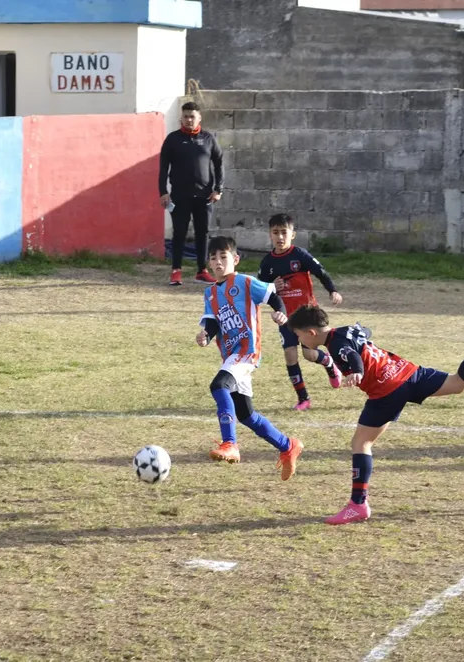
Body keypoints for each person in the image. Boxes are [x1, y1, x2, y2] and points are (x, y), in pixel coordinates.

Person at [287, 305, 464, 525]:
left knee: (361, 442)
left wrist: (357, 372)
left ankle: (358, 504)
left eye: (299, 335)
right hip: (407, 371)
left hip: (387, 389)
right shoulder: (346, 330)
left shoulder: (337, 346)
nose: (298, 339)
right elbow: (355, 341)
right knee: (458, 384)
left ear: (311, 332)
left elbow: (351, 356)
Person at [196, 236, 303, 480]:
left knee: (218, 385)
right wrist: (205, 335)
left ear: (235, 259)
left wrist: (280, 313)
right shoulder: (210, 293)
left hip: (246, 352)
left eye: (223, 257)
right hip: (231, 355)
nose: (218, 262)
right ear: (209, 264)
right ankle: (288, 445)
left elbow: (273, 296)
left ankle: (230, 443)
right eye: (213, 258)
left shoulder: (244, 282)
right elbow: (212, 322)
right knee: (245, 414)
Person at [256, 213, 344, 410]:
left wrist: (333, 290)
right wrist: (271, 286)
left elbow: (321, 272)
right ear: (270, 235)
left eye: (284, 233)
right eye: (275, 233)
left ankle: (329, 364)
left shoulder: (300, 255)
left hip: (306, 315)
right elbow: (261, 290)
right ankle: (303, 398)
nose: (280, 237)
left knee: (310, 355)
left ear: (292, 235)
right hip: (285, 317)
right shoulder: (267, 263)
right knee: (290, 355)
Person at [159, 101, 224, 287]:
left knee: (203, 233)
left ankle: (202, 271)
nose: (189, 120)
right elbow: (163, 167)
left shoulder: (208, 139)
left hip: (204, 196)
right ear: (182, 117)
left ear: (199, 118)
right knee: (179, 233)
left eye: (192, 116)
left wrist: (218, 189)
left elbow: (219, 164)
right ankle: (176, 271)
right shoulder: (172, 139)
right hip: (179, 196)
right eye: (186, 116)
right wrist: (163, 192)